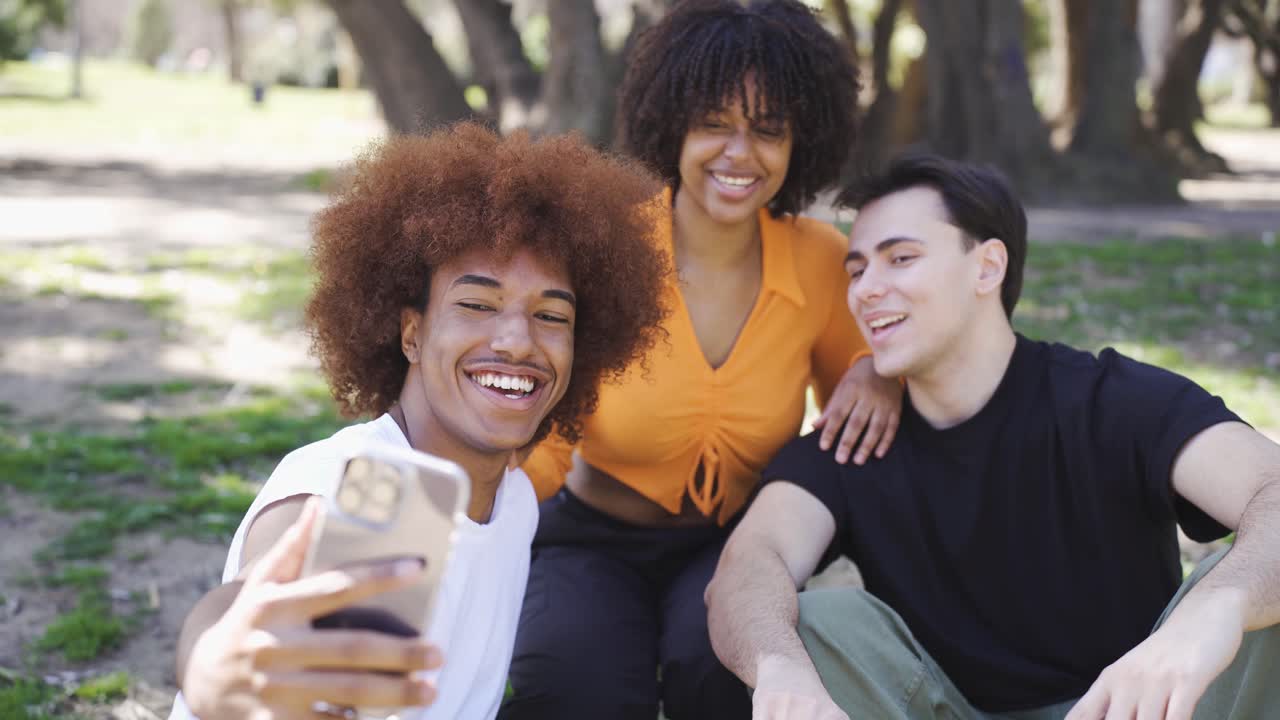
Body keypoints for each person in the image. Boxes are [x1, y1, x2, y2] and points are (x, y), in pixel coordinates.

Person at [705, 153, 1280, 720]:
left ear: (987, 267)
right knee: (811, 624)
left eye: (900, 258)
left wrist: (1216, 610)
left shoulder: (1109, 400)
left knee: (1251, 591)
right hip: (945, 712)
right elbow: (748, 565)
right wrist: (779, 668)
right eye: (856, 271)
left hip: (1135, 707)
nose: (865, 290)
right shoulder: (857, 438)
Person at [168, 123, 670, 720]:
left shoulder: (514, 502)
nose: (518, 341)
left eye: (552, 316)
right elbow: (241, 604)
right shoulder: (357, 483)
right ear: (412, 333)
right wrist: (213, 666)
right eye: (477, 305)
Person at [500, 2, 903, 719]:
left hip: (738, 546)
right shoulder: (606, 252)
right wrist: (468, 520)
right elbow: (541, 435)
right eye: (714, 122)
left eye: (768, 129)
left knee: (720, 675)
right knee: (576, 687)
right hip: (589, 539)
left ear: (801, 140)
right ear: (672, 123)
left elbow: (874, 382)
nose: (739, 153)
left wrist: (878, 372)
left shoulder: (821, 262)